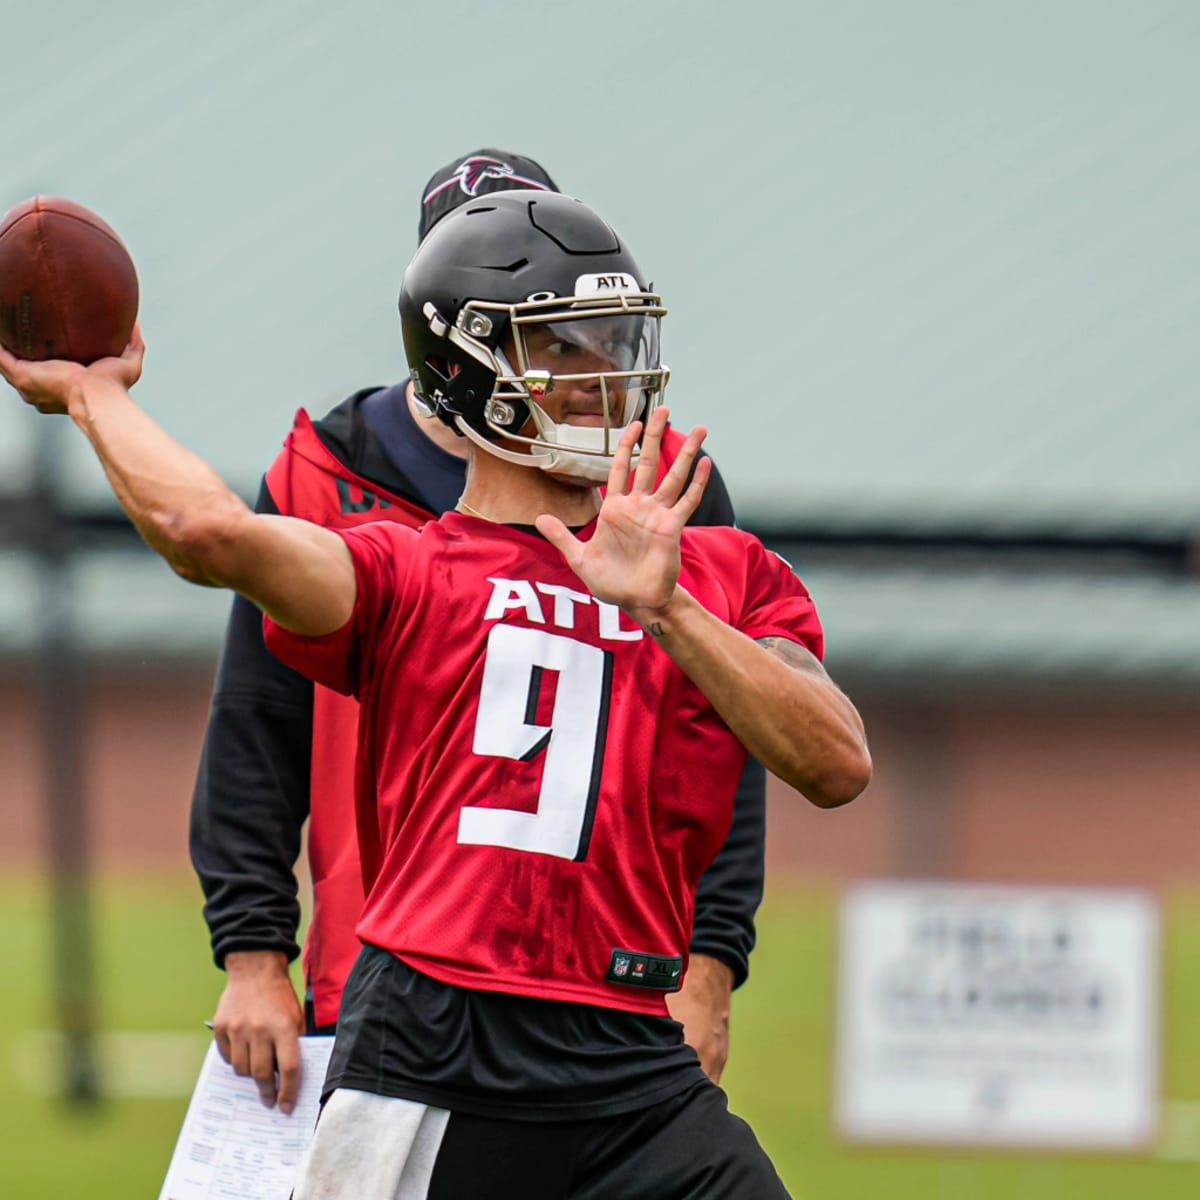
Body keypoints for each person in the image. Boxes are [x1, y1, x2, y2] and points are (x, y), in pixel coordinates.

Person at [0, 190, 872, 1198]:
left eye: (611, 340)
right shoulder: (413, 573)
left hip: (634, 1057)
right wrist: (93, 392)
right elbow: (210, 535)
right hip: (440, 1044)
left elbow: (836, 762)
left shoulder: (717, 571)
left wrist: (669, 609)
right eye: (565, 348)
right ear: (465, 370)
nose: (605, 376)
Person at [189, 148, 769, 1113]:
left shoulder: (653, 486)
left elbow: (726, 740)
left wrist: (709, 965)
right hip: (387, 966)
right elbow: (259, 723)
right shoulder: (319, 476)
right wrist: (253, 952)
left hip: (602, 982)